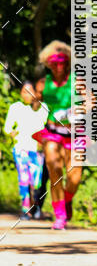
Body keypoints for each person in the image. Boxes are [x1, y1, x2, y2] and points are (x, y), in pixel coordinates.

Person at [33, 41, 82, 230]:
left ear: (68, 61)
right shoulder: (43, 83)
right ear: (48, 63)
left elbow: (92, 101)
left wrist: (75, 111)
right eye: (54, 62)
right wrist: (34, 100)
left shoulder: (77, 80)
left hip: (75, 134)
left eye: (62, 61)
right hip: (52, 133)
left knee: (74, 178)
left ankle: (67, 199)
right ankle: (60, 215)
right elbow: (35, 103)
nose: (58, 66)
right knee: (54, 171)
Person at [3, 81, 48, 219]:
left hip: (37, 150)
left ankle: (36, 207)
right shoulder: (15, 107)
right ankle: (25, 210)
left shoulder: (43, 108)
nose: (27, 95)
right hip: (20, 149)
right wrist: (11, 133)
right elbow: (7, 127)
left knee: (36, 182)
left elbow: (49, 126)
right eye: (24, 92)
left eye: (30, 92)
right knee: (24, 180)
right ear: (20, 93)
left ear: (35, 93)